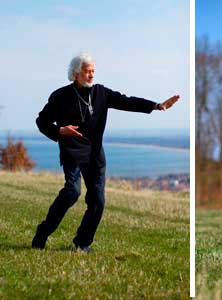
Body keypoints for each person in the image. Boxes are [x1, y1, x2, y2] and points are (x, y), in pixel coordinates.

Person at [31, 53, 180, 253]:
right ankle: (43, 232)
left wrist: (156, 105)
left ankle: (82, 243)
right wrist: (59, 131)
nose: (92, 75)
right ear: (76, 74)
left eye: (93, 71)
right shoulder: (60, 96)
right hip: (72, 151)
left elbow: (126, 101)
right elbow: (41, 121)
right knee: (71, 193)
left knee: (98, 201)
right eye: (87, 71)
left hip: (94, 154)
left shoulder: (101, 93)